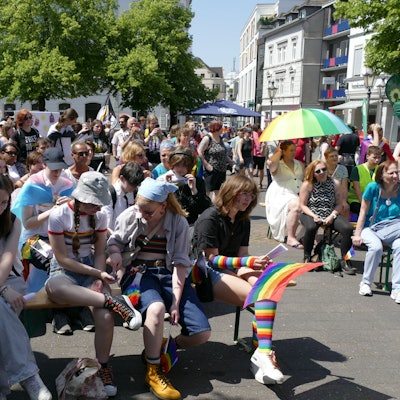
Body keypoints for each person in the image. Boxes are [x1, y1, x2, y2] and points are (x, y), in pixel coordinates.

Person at [107, 178, 211, 400]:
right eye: (140, 209)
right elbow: (114, 241)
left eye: (149, 212)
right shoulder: (130, 215)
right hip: (137, 275)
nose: (142, 215)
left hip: (169, 274)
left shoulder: (179, 223)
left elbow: (181, 264)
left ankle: (161, 347)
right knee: (155, 309)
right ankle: (153, 371)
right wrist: (115, 252)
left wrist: (176, 300)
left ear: (164, 206)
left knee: (202, 333)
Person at [45, 172, 142, 397]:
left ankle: (104, 367)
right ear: (82, 199)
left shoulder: (99, 217)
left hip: (91, 266)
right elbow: (62, 259)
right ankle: (112, 301)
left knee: (105, 317)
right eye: (95, 204)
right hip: (66, 269)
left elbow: (99, 252)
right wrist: (97, 273)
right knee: (55, 290)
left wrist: (98, 278)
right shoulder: (59, 214)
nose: (99, 208)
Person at [192, 175, 284, 385]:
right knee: (261, 296)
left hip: (231, 267)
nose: (248, 199)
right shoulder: (210, 218)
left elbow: (242, 254)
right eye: (244, 193)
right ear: (231, 192)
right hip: (205, 273)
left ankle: (261, 350)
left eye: (252, 195)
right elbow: (211, 259)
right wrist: (248, 262)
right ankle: (263, 353)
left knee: (268, 289)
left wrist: (257, 265)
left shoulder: (243, 220)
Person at [0, 174, 52, 400]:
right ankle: (29, 376)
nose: (0, 208)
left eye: (3, 202)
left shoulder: (12, 221)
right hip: (4, 290)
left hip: (11, 281)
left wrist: (3, 289)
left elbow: (7, 260)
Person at [352, 160, 400, 300]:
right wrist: (357, 234)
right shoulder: (373, 188)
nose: (395, 175)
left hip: (395, 229)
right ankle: (365, 283)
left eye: (397, 172)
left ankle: (397, 288)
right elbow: (363, 211)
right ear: (381, 174)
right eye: (391, 173)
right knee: (376, 248)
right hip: (371, 228)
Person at [299, 160, 354, 274]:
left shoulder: (335, 183)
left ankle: (346, 259)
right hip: (310, 213)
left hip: (330, 213)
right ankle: (307, 257)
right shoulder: (308, 185)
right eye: (318, 171)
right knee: (311, 228)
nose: (322, 172)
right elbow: (302, 205)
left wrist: (332, 216)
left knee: (348, 228)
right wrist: (314, 216)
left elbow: (339, 204)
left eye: (324, 169)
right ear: (313, 173)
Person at [157, 146, 211, 225]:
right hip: (169, 224)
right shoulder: (164, 179)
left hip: (190, 224)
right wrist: (166, 187)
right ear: (172, 164)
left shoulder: (197, 181)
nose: (180, 169)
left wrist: (194, 190)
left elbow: (203, 209)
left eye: (184, 165)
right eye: (177, 165)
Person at [265, 140, 304, 247]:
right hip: (281, 194)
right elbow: (271, 164)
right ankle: (291, 237)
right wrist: (278, 152)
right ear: (284, 151)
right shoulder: (277, 164)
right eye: (291, 150)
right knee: (296, 206)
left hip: (298, 193)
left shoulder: (299, 163)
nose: (294, 152)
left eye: (294, 150)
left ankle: (304, 235)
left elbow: (306, 179)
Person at [103, 161, 144, 234]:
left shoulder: (135, 193)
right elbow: (107, 226)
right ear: (121, 178)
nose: (134, 187)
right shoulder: (110, 194)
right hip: (113, 237)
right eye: (131, 184)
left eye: (136, 185)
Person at [197, 120, 229, 200]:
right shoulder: (208, 138)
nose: (223, 130)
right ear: (216, 128)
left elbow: (223, 152)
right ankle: (204, 207)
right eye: (221, 128)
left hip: (221, 169)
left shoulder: (220, 138)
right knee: (208, 190)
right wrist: (206, 164)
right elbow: (199, 151)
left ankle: (215, 208)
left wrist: (230, 161)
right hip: (211, 169)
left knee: (218, 191)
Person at [348, 145, 382, 215]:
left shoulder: (381, 169)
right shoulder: (357, 169)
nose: (377, 160)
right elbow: (357, 190)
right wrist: (365, 204)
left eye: (379, 157)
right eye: (375, 157)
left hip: (374, 200)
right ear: (367, 156)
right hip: (357, 200)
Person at [324, 148, 350, 219]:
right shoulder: (322, 168)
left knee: (345, 207)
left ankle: (344, 228)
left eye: (336, 156)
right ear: (326, 158)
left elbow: (344, 187)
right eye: (332, 156)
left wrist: (344, 201)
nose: (335, 158)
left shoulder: (343, 169)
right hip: (324, 196)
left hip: (338, 196)